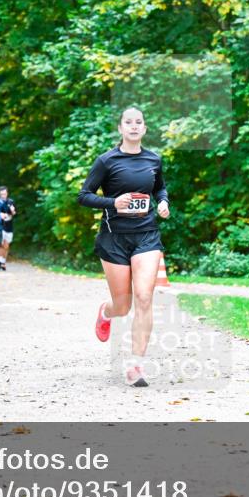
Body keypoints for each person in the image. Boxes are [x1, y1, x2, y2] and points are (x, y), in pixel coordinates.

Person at [77, 106, 169, 387]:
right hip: (114, 237)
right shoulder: (106, 161)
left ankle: (135, 366)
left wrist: (163, 202)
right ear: (120, 128)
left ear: (144, 128)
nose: (133, 126)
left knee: (144, 297)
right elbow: (84, 196)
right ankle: (106, 312)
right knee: (122, 305)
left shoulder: (154, 159)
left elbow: (160, 188)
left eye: (138, 122)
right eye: (128, 122)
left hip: (147, 235)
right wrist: (113, 203)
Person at [0, 185, 16, 271]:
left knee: (6, 246)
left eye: (4, 194)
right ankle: (1, 263)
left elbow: (15, 213)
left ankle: (2, 261)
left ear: (7, 193)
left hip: (9, 225)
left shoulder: (11, 202)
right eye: (1, 194)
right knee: (1, 244)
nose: (3, 196)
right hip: (0, 225)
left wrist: (12, 211)